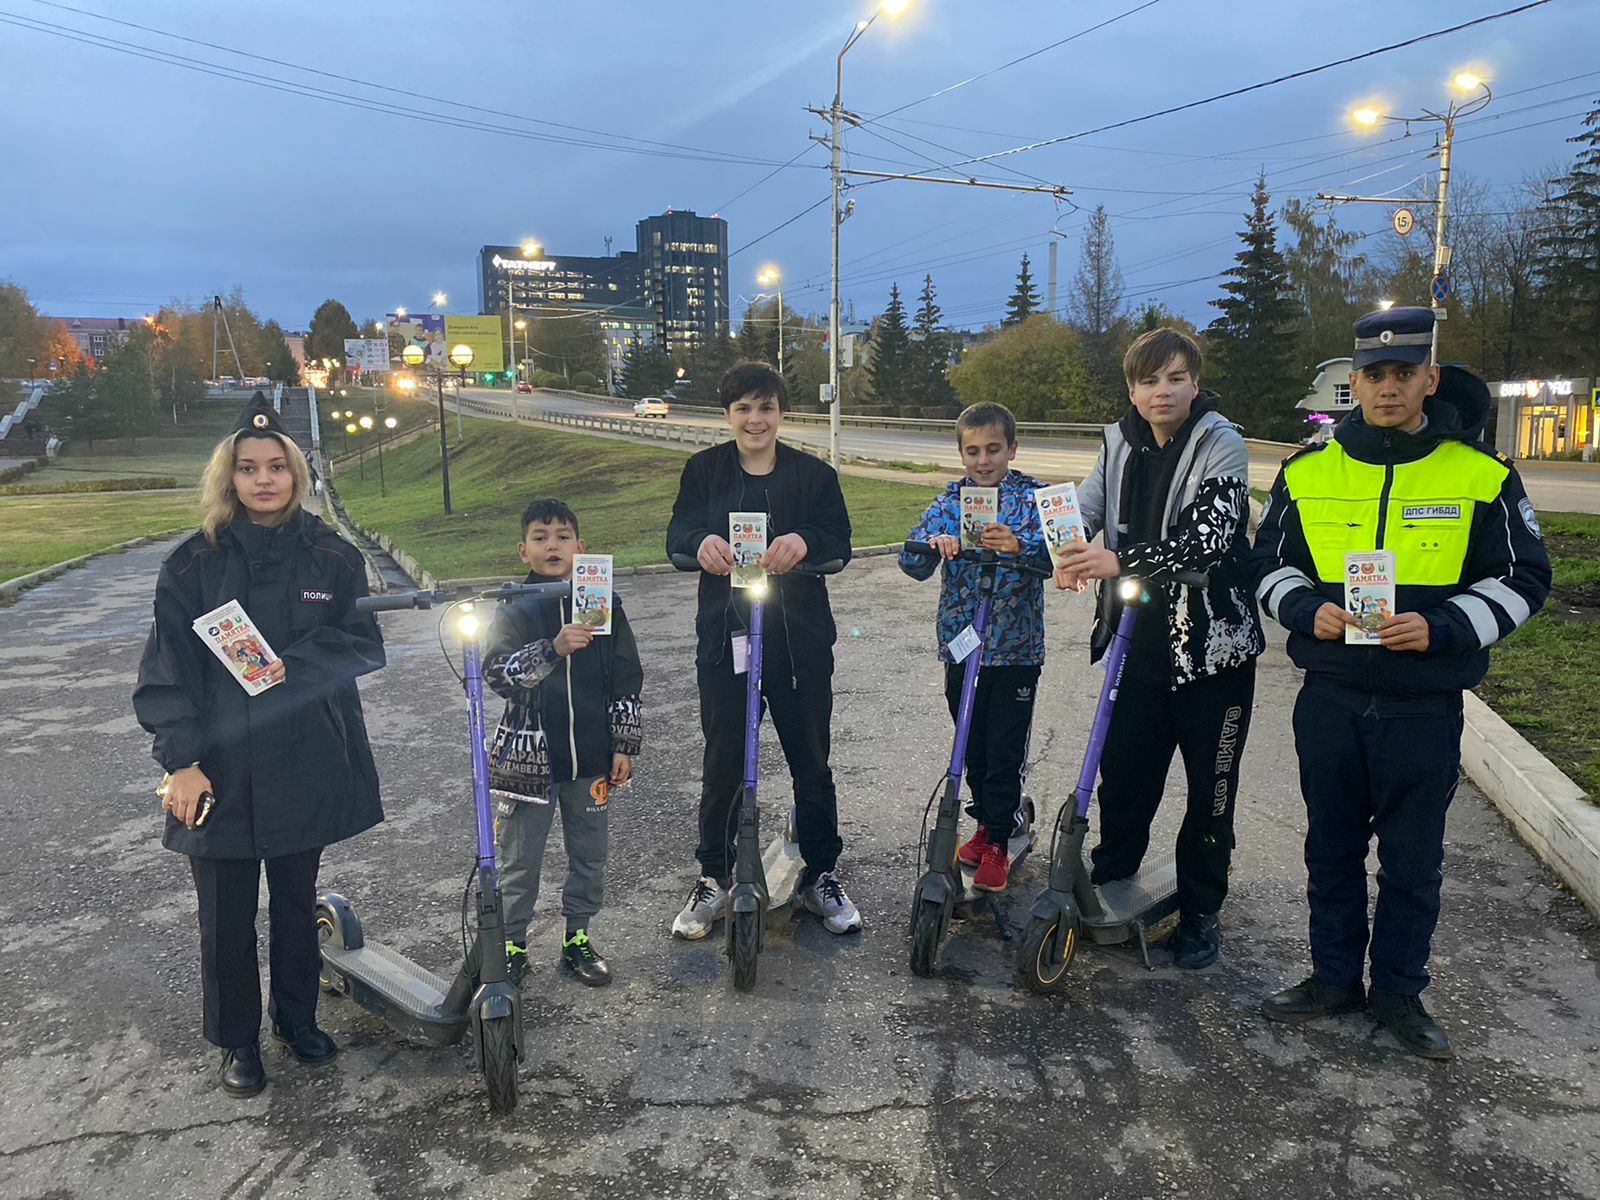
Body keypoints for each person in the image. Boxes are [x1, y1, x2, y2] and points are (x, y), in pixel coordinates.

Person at [1250, 306, 1550, 1059]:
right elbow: (1264, 561)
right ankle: (1331, 980)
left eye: (1403, 374)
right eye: (1374, 375)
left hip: (1424, 704)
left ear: (1430, 378)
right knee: (1331, 848)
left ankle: (1398, 994)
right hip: (1332, 698)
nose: (1388, 387)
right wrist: (1305, 607)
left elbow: (1526, 578)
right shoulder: (1307, 470)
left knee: (1414, 862)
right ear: (1353, 383)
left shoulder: (1482, 475)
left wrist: (1445, 627)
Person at [132, 397, 385, 1099]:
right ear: (230, 477)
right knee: (225, 913)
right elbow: (165, 672)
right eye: (249, 468)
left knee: (296, 904)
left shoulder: (333, 556)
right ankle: (237, 1040)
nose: (264, 479)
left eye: (277, 467)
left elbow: (363, 645)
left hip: (305, 757)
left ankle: (295, 1021)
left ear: (297, 475)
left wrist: (288, 669)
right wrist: (180, 762)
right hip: (218, 766)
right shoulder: (192, 566)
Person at [1052, 328, 1265, 969]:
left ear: (1194, 383)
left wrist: (1116, 559)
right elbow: (1084, 510)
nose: (1161, 392)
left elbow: (1211, 539)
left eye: (1175, 378)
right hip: (1134, 644)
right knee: (1125, 779)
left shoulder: (1221, 443)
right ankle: (1111, 881)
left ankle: (1201, 912)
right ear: (1132, 389)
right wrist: (1063, 551)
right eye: (1148, 381)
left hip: (1211, 653)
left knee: (1210, 793)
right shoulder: (1116, 441)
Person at [665, 361, 861, 937]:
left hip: (798, 642)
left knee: (811, 759)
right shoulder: (703, 471)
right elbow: (677, 534)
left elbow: (839, 541)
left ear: (782, 413)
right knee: (724, 758)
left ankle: (821, 870)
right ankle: (714, 874)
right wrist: (700, 542)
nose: (756, 419)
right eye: (744, 408)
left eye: (766, 408)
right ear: (727, 415)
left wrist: (806, 540)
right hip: (726, 638)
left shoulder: (813, 476)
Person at [484, 498, 643, 988]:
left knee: (590, 853)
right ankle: (511, 944)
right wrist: (552, 648)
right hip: (528, 763)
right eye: (540, 537)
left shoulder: (604, 603)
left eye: (562, 536)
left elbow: (626, 677)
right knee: (519, 857)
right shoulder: (515, 605)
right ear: (523, 550)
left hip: (591, 757)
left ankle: (577, 936)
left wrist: (624, 743)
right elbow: (498, 674)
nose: (552, 545)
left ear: (581, 546)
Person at [898, 402, 1053, 892]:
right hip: (962, 646)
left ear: (1012, 448)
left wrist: (1021, 547)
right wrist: (935, 541)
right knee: (971, 744)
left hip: (1016, 650)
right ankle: (985, 823)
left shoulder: (1035, 499)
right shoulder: (951, 501)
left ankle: (1000, 843)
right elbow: (911, 558)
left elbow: (1069, 552)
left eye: (992, 449)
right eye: (972, 451)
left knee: (1004, 746)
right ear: (960, 453)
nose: (982, 460)